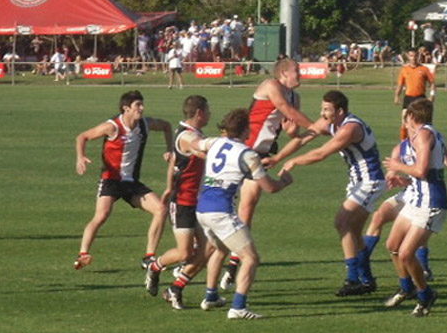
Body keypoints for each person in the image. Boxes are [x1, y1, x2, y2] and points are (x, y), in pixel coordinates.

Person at [220, 57, 322, 288]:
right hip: (240, 150)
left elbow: (290, 128)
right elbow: (285, 109)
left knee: (247, 206)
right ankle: (195, 257)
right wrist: (315, 127)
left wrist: (293, 131)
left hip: (259, 156)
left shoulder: (295, 96)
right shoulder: (271, 86)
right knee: (221, 207)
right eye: (297, 71)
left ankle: (233, 265)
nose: (301, 74)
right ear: (284, 74)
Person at [280, 91, 386, 296]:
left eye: (327, 110)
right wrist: (277, 158)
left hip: (370, 181)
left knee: (341, 222)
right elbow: (304, 138)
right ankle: (367, 280)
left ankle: (352, 279)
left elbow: (321, 153)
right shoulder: (332, 123)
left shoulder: (350, 128)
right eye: (322, 108)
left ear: (340, 111)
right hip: (357, 182)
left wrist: (294, 162)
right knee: (354, 232)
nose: (322, 113)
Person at [195, 108, 293, 320]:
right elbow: (270, 187)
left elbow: (197, 145)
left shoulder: (214, 142)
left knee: (220, 249)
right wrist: (285, 181)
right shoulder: (248, 154)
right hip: (221, 212)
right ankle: (238, 308)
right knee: (250, 258)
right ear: (246, 129)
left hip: (202, 210)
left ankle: (211, 296)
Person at [74, 90, 173, 274]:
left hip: (132, 182)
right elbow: (82, 136)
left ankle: (149, 257)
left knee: (161, 209)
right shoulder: (112, 127)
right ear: (126, 108)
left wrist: (170, 149)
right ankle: (83, 254)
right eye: (138, 105)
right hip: (111, 181)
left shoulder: (145, 124)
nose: (142, 109)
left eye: (142, 104)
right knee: (101, 215)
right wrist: (81, 157)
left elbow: (167, 126)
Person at [146, 95, 217, 310]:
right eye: (208, 110)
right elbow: (201, 150)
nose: (210, 114)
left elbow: (174, 163)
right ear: (199, 113)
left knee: (209, 248)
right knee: (185, 253)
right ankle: (155, 267)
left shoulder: (195, 134)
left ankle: (175, 289)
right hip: (183, 203)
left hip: (199, 202)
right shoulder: (187, 136)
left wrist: (168, 186)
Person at [382, 99, 447, 317]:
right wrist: (404, 181)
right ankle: (406, 288)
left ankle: (425, 294)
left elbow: (421, 170)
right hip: (417, 199)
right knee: (393, 245)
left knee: (406, 253)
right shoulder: (428, 135)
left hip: (431, 203)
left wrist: (397, 166)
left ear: (411, 117)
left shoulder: (424, 135)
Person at [363, 129, 447, 285]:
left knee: (417, 228)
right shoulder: (400, 148)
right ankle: (363, 265)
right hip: (409, 192)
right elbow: (392, 173)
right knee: (379, 217)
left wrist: (442, 151)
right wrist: (395, 177)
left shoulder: (429, 138)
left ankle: (422, 269)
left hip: (425, 195)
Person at [394, 49, 436, 139]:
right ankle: (403, 142)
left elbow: (432, 83)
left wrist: (432, 95)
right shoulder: (404, 70)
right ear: (408, 57)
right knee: (404, 122)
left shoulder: (424, 69)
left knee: (423, 123)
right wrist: (397, 96)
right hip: (408, 98)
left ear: (419, 56)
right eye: (411, 56)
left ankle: (424, 140)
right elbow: (400, 85)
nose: (413, 58)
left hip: (420, 98)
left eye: (415, 56)